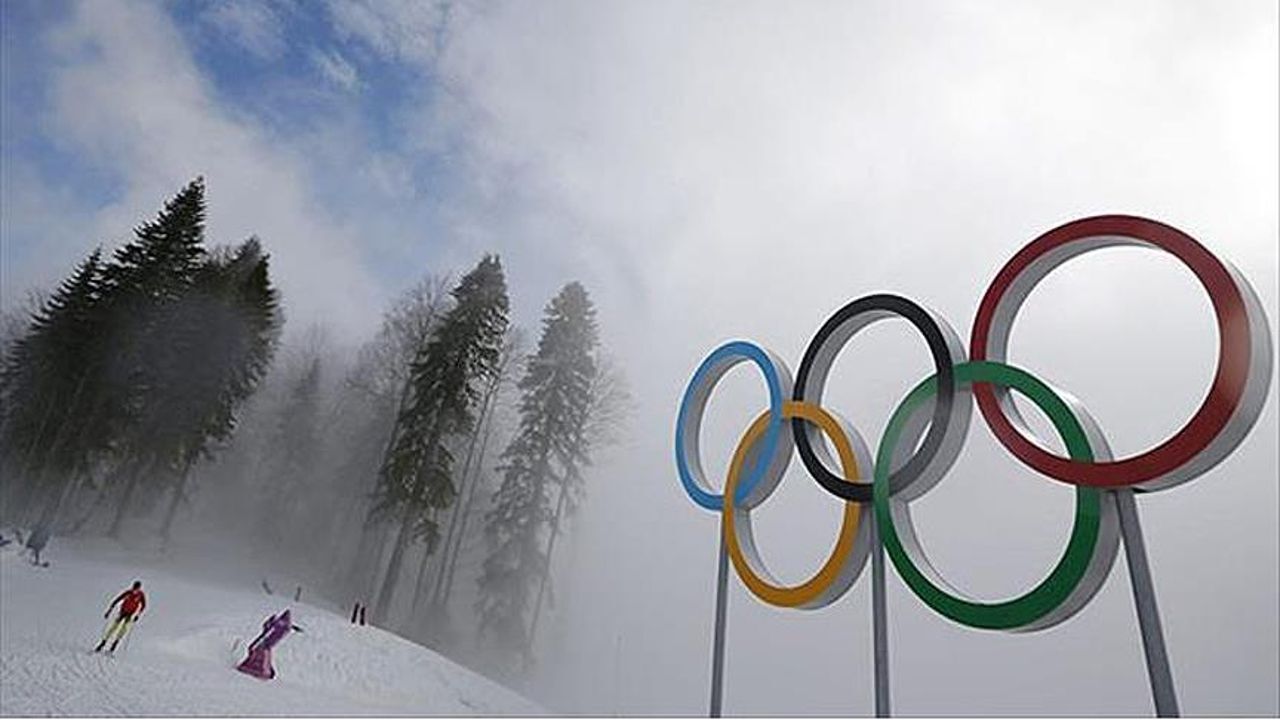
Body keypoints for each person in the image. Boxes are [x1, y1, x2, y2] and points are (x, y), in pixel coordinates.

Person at [236, 609, 303, 680]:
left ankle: (257, 668)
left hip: (265, 643)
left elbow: (267, 627)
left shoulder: (277, 624)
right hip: (268, 644)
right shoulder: (285, 626)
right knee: (261, 653)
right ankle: (264, 669)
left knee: (256, 651)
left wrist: (269, 624)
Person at [95, 580, 146, 653]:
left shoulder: (141, 595)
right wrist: (109, 610)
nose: (135, 590)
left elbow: (143, 605)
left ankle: (113, 646)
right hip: (122, 613)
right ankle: (102, 643)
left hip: (130, 615)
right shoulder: (128, 593)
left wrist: (137, 615)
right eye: (134, 588)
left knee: (123, 630)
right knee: (113, 628)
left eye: (136, 589)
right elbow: (117, 600)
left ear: (139, 589)